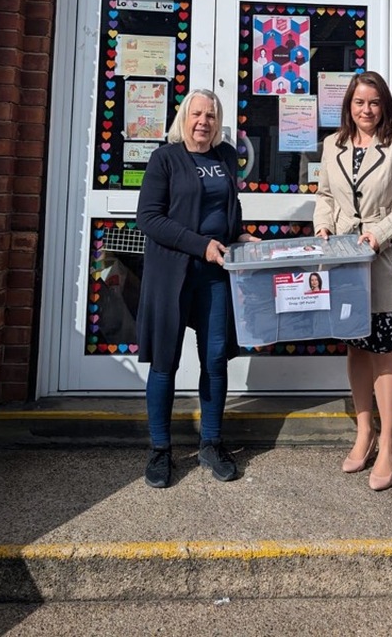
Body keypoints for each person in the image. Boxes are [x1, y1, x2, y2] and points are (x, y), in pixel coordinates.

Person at [135, 89, 258, 489]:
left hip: (215, 274)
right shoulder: (164, 159)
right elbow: (149, 219)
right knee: (165, 362)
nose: (203, 121)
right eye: (197, 114)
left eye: (211, 115)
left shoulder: (224, 158)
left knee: (216, 358)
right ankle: (160, 450)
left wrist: (238, 235)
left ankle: (211, 442)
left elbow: (225, 211)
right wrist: (200, 245)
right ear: (184, 118)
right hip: (173, 272)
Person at [313, 71, 392, 491]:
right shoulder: (333, 145)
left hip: (383, 260)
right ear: (349, 106)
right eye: (359, 103)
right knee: (355, 345)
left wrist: (378, 234)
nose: (366, 110)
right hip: (344, 261)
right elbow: (325, 195)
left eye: (374, 103)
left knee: (380, 346)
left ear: (384, 105)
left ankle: (390, 443)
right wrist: (324, 227)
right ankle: (365, 432)